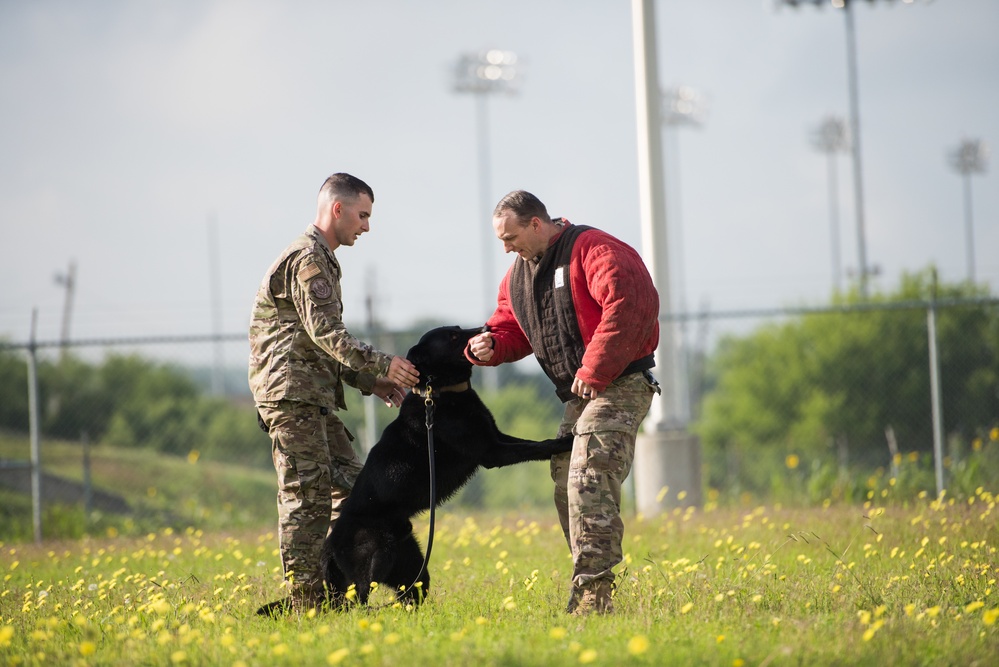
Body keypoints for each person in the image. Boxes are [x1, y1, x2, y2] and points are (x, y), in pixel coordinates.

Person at [466, 190, 660, 616]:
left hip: (620, 381)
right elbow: (511, 327)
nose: (506, 248)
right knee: (564, 482)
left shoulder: (595, 249)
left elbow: (630, 304)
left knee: (588, 474)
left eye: (511, 236)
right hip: (581, 392)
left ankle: (593, 596)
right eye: (501, 240)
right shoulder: (517, 276)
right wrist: (491, 344)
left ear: (537, 223)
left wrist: (594, 368)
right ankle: (589, 580)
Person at [248, 172, 419, 613]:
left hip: (313, 398)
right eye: (362, 215)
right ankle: (307, 601)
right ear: (337, 209)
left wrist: (369, 381)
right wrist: (384, 364)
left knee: (358, 490)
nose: (367, 226)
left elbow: (312, 344)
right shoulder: (307, 260)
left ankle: (340, 584)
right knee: (306, 498)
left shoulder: (322, 258)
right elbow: (326, 333)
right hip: (291, 398)